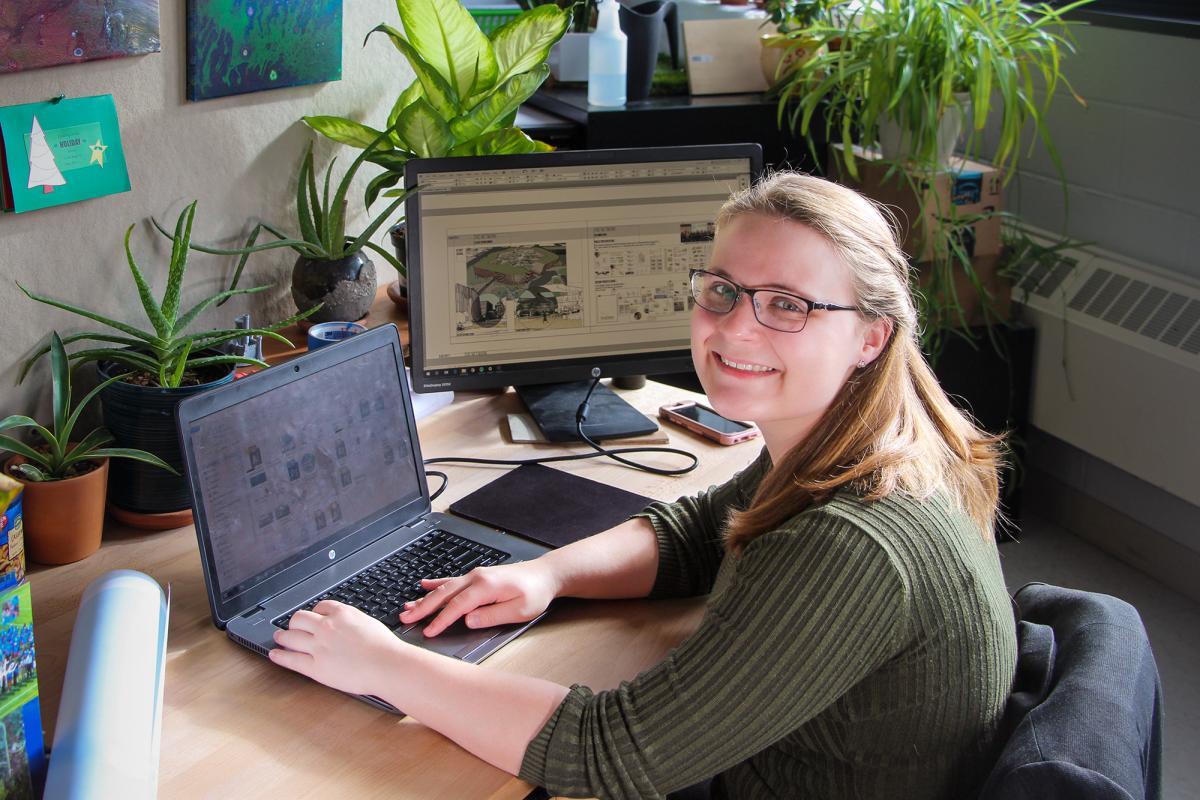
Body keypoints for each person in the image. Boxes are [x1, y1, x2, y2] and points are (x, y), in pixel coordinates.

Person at [270, 172, 1018, 799]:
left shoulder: (853, 543)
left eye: (788, 304)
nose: (735, 328)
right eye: (722, 289)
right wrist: (546, 574)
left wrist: (383, 665)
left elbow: (612, 754)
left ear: (871, 334)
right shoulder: (867, 437)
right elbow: (703, 530)